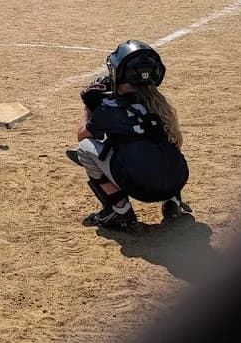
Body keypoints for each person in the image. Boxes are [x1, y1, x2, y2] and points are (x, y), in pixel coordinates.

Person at [66, 40, 192, 230]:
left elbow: (83, 136)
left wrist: (88, 108)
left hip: (140, 188)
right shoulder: (161, 105)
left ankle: (119, 208)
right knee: (162, 144)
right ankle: (172, 200)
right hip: (177, 179)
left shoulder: (110, 108)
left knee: (85, 149)